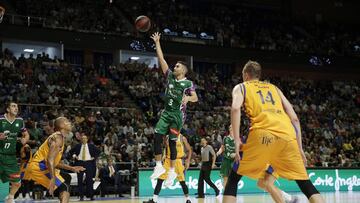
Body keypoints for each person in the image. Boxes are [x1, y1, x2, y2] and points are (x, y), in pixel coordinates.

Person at [223, 61, 324, 203]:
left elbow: (235, 109)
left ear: (246, 75)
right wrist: (299, 148)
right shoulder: (274, 88)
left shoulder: (241, 87)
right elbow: (294, 118)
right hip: (288, 137)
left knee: (233, 179)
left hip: (263, 134)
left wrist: (237, 139)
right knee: (305, 184)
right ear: (258, 75)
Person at [150, 32, 198, 187]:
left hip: (178, 116)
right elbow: (161, 59)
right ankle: (158, 166)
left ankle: (171, 171)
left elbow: (195, 98)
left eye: (177, 66)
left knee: (171, 143)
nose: (174, 67)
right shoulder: (170, 76)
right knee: (157, 136)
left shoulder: (188, 83)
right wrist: (157, 42)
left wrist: (188, 98)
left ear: (183, 70)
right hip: (166, 113)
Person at [24, 117, 85, 203]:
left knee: (67, 177)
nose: (70, 123)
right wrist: (52, 178)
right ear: (62, 125)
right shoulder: (58, 138)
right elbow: (50, 160)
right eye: (67, 121)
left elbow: (54, 163)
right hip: (39, 168)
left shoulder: (59, 138)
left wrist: (72, 168)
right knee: (64, 186)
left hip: (41, 166)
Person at [144, 134, 192, 203]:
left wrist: (188, 161)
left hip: (178, 161)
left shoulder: (182, 138)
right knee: (160, 180)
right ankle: (154, 200)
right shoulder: (167, 137)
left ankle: (188, 199)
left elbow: (189, 150)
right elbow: (165, 148)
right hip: (168, 160)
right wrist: (164, 152)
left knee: (182, 182)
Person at [0, 101, 30, 203]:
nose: (16, 108)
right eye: (13, 106)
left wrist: (24, 139)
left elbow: (26, 135)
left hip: (11, 157)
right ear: (8, 109)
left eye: (17, 106)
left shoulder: (20, 120)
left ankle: (10, 198)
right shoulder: (1, 120)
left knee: (17, 182)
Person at [68, 134, 100, 201]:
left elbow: (98, 151)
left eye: (85, 138)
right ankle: (81, 196)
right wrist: (74, 156)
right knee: (80, 181)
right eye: (82, 138)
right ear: (81, 140)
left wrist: (94, 157)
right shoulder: (78, 146)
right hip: (79, 163)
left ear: (87, 139)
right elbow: (70, 152)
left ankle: (91, 196)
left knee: (89, 180)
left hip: (89, 163)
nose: (83, 139)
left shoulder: (91, 146)